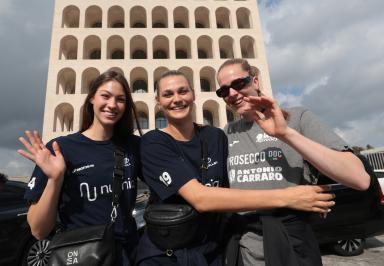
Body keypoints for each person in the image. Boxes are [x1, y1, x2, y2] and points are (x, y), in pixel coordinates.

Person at [136, 70, 336, 266]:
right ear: (158, 101)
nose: (177, 99)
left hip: (211, 250)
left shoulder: (215, 137)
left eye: (183, 91)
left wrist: (312, 194)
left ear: (193, 94)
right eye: (168, 94)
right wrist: (289, 198)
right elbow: (201, 198)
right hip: (168, 254)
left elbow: (238, 178)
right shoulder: (153, 143)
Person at [216, 58, 371, 266]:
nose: (232, 94)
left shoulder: (297, 118)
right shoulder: (227, 133)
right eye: (224, 91)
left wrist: (285, 133)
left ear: (255, 81)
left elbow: (359, 179)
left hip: (292, 247)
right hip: (243, 249)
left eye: (238, 84)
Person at [18, 70, 142, 266]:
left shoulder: (133, 147)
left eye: (120, 99)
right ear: (92, 98)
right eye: (105, 96)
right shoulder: (61, 149)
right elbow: (39, 230)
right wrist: (55, 179)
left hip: (128, 255)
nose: (112, 105)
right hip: (82, 256)